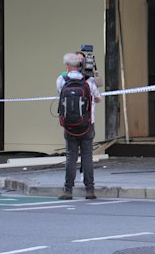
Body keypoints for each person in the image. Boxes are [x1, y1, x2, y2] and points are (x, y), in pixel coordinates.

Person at [57, 52, 102, 200]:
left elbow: (60, 94)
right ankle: (90, 190)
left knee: (71, 157)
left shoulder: (61, 80)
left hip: (69, 125)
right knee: (87, 156)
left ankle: (68, 190)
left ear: (68, 66)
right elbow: (98, 98)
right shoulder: (88, 81)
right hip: (88, 124)